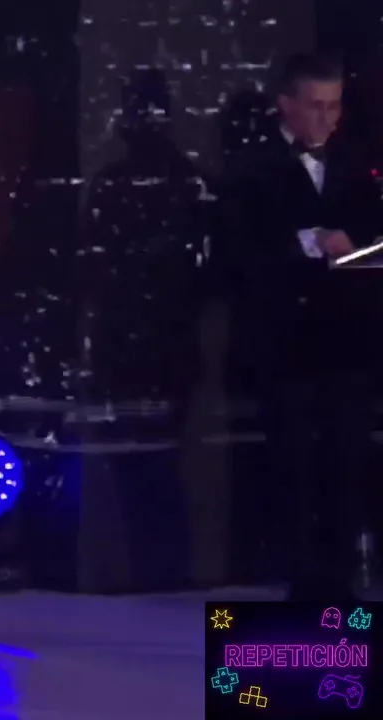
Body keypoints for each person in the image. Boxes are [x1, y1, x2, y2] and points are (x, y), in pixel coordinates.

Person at [220, 53, 383, 600]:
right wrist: (308, 243)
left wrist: (359, 250)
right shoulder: (251, 170)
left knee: (346, 460)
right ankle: (302, 579)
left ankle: (340, 580)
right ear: (285, 104)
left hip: (348, 343)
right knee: (292, 463)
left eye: (334, 107)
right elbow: (236, 254)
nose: (327, 119)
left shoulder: (357, 165)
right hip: (285, 345)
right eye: (315, 106)